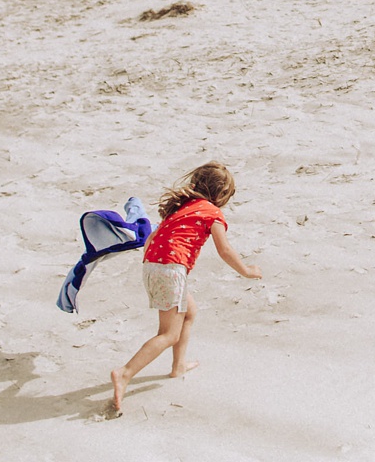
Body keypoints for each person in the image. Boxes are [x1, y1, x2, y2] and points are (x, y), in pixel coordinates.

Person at [111, 162, 262, 412]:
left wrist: (158, 266)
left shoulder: (182, 207)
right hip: (171, 270)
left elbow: (152, 239)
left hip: (153, 266)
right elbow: (224, 250)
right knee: (168, 334)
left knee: (189, 312)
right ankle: (125, 373)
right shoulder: (212, 213)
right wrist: (247, 271)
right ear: (221, 194)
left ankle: (177, 367)